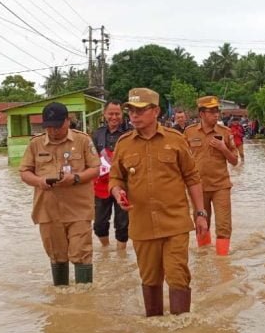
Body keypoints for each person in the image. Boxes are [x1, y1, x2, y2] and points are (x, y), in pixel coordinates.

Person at [109, 88, 208, 317]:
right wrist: (117, 191)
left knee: (177, 275)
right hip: (142, 224)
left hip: (175, 222)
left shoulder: (175, 140)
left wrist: (200, 213)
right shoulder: (124, 144)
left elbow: (192, 177)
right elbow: (115, 177)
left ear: (156, 111)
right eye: (131, 110)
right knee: (150, 278)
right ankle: (154, 332)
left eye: (140, 110)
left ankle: (181, 331)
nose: (134, 115)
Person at [19, 102, 100, 286]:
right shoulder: (36, 143)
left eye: (57, 126)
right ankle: (61, 298)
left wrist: (76, 178)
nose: (53, 131)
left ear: (67, 121)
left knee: (81, 253)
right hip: (48, 210)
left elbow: (95, 169)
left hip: (78, 209)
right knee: (57, 256)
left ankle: (84, 299)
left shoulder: (83, 140)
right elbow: (24, 172)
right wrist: (39, 181)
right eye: (49, 126)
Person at [183, 96, 238, 254]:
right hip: (198, 187)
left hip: (221, 186)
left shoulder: (225, 133)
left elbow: (235, 161)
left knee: (223, 226)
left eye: (217, 111)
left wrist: (223, 148)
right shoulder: (189, 132)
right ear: (201, 114)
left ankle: (222, 262)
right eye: (212, 111)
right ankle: (204, 260)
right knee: (201, 224)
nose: (216, 114)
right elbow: (181, 160)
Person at [91, 100, 130, 250]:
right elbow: (91, 158)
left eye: (117, 114)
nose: (114, 117)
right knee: (99, 223)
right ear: (104, 114)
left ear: (122, 114)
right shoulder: (97, 134)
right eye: (111, 113)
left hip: (123, 183)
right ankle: (106, 250)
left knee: (122, 223)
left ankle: (121, 255)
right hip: (101, 185)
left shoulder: (130, 133)